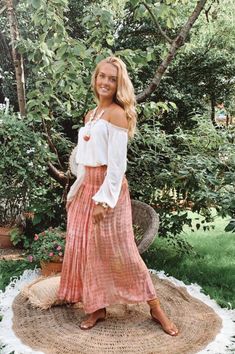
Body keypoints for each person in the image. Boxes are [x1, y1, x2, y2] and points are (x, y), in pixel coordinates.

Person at [58, 56, 178, 336]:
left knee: (123, 251)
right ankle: (97, 307)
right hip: (86, 187)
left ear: (118, 83)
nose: (106, 82)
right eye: (102, 76)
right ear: (95, 78)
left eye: (112, 79)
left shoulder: (117, 114)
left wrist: (103, 200)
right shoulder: (91, 115)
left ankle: (155, 307)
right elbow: (85, 159)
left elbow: (117, 165)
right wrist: (77, 191)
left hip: (108, 190)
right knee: (88, 249)